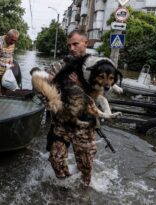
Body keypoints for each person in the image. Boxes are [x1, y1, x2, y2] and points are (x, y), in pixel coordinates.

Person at [39, 30, 98, 185]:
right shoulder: (58, 66)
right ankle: (66, 186)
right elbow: (42, 90)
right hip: (61, 124)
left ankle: (82, 192)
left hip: (84, 126)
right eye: (69, 45)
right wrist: (50, 90)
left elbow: (103, 93)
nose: (71, 48)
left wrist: (82, 86)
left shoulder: (95, 67)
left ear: (86, 43)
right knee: (56, 160)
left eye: (76, 44)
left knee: (85, 167)